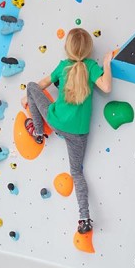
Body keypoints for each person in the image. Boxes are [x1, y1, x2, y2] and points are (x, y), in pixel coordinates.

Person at [22, 28, 113, 237]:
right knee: (77, 173)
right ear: (89, 49)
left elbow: (40, 85)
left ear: (67, 49)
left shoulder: (63, 67)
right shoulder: (91, 67)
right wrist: (106, 64)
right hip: (78, 133)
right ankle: (84, 217)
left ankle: (38, 133)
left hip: (56, 121)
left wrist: (27, 97)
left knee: (30, 87)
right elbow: (106, 87)